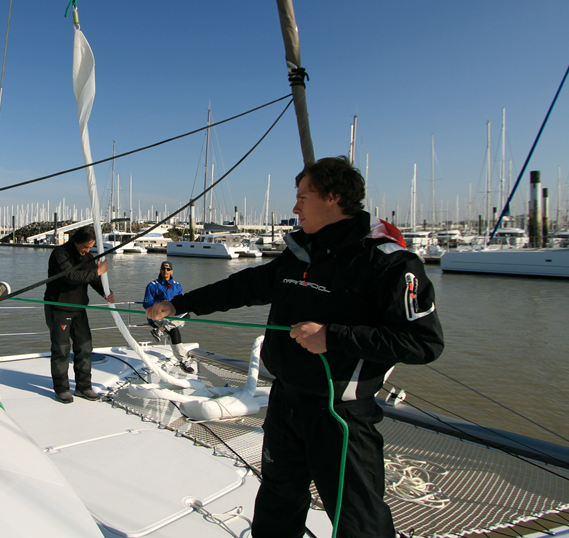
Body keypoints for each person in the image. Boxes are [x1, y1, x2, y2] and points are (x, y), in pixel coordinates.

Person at [146, 156, 443, 538]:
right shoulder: (301, 252)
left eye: (304, 196)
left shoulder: (387, 262)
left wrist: (333, 337)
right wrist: (180, 305)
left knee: (358, 521)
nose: (295, 206)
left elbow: (425, 342)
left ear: (334, 198)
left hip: (340, 415)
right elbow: (244, 286)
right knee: (277, 503)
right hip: (285, 401)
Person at [43, 225, 115, 404]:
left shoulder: (89, 257)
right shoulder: (60, 254)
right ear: (77, 241)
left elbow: (93, 279)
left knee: (84, 348)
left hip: (79, 309)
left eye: (90, 247)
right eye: (85, 246)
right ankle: (61, 389)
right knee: (61, 350)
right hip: (59, 308)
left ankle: (83, 387)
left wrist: (105, 292)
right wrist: (98, 270)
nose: (87, 250)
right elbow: (71, 276)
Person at [142, 261, 195, 373]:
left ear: (172, 271)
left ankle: (162, 330)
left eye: (168, 269)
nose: (165, 271)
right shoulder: (152, 285)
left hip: (172, 317)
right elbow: (146, 304)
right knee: (174, 331)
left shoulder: (177, 286)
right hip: (157, 316)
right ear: (160, 270)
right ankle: (183, 361)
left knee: (187, 314)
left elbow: (181, 304)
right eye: (163, 269)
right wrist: (161, 306)